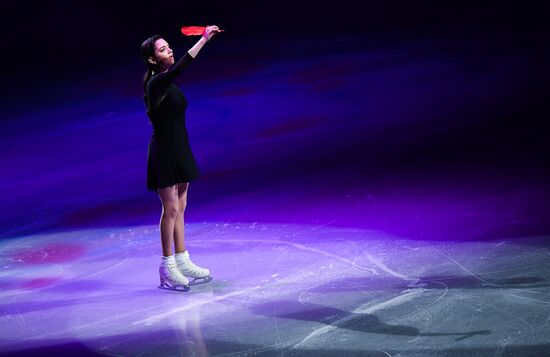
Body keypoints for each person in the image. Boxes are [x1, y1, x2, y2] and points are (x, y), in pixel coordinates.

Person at [140, 26, 221, 291]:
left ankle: (182, 260)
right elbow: (182, 66)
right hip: (164, 150)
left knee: (181, 208)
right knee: (171, 209)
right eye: (163, 49)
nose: (170, 50)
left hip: (180, 146)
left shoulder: (167, 81)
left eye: (168, 46)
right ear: (153, 59)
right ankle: (167, 267)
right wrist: (204, 40)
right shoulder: (156, 82)